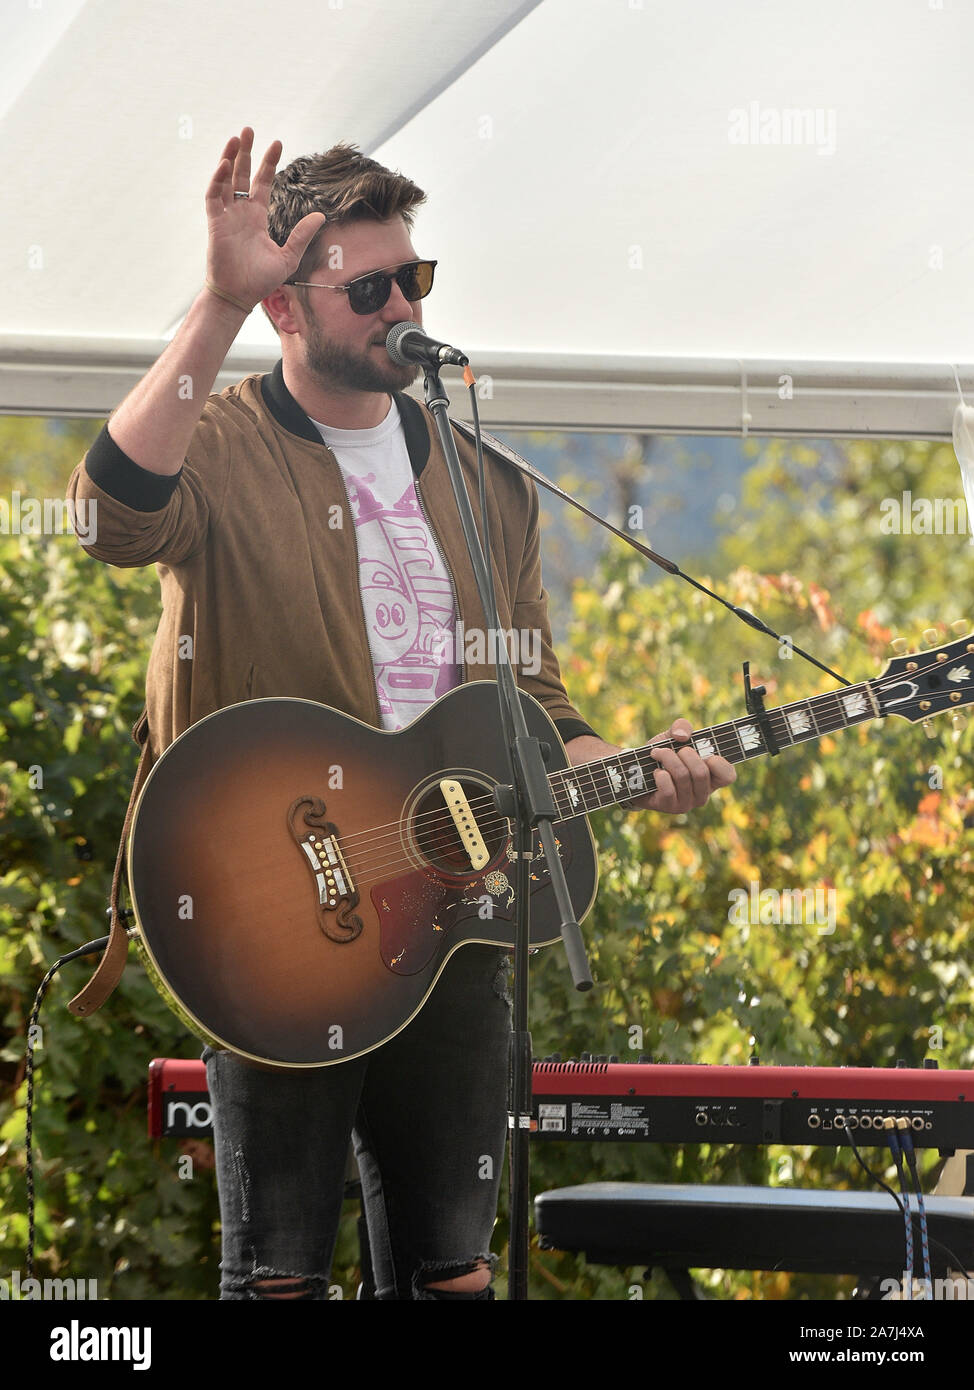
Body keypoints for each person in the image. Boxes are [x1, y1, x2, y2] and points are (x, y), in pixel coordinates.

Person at [68, 128, 736, 1300]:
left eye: (411, 279)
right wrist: (218, 302)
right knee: (276, 1277)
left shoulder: (487, 486)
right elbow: (107, 519)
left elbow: (533, 700)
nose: (399, 307)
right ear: (288, 308)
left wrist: (621, 762)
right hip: (277, 906)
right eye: (367, 288)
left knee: (456, 1273)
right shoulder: (221, 444)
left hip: (455, 905)